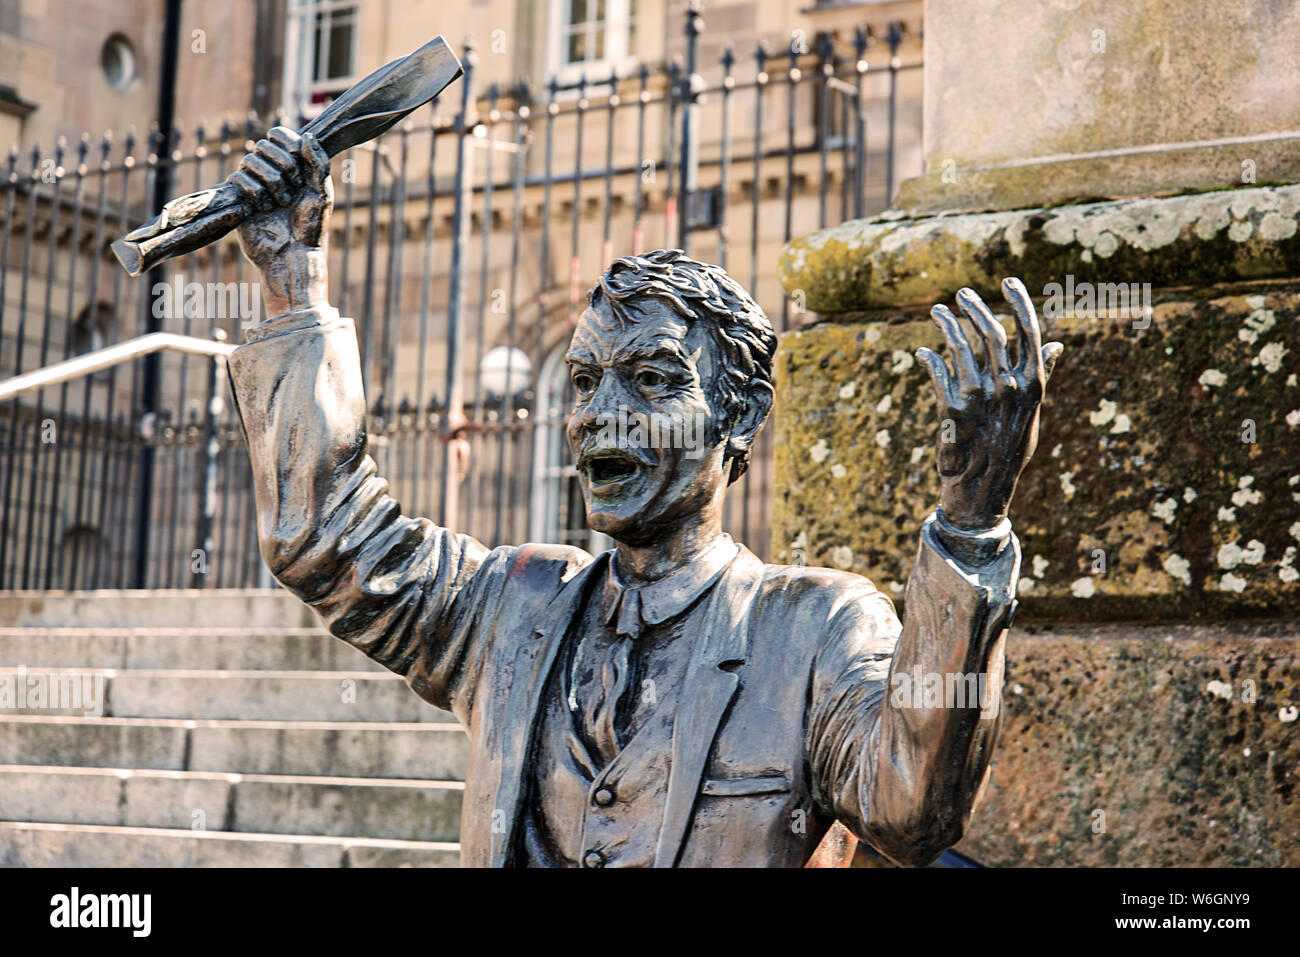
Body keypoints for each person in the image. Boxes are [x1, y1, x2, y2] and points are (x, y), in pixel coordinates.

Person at [224, 126, 1063, 867]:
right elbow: (326, 537)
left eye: (653, 379)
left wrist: (971, 524)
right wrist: (294, 282)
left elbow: (911, 809)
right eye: (585, 381)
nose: (600, 416)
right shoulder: (509, 607)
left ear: (739, 415)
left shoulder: (815, 628)